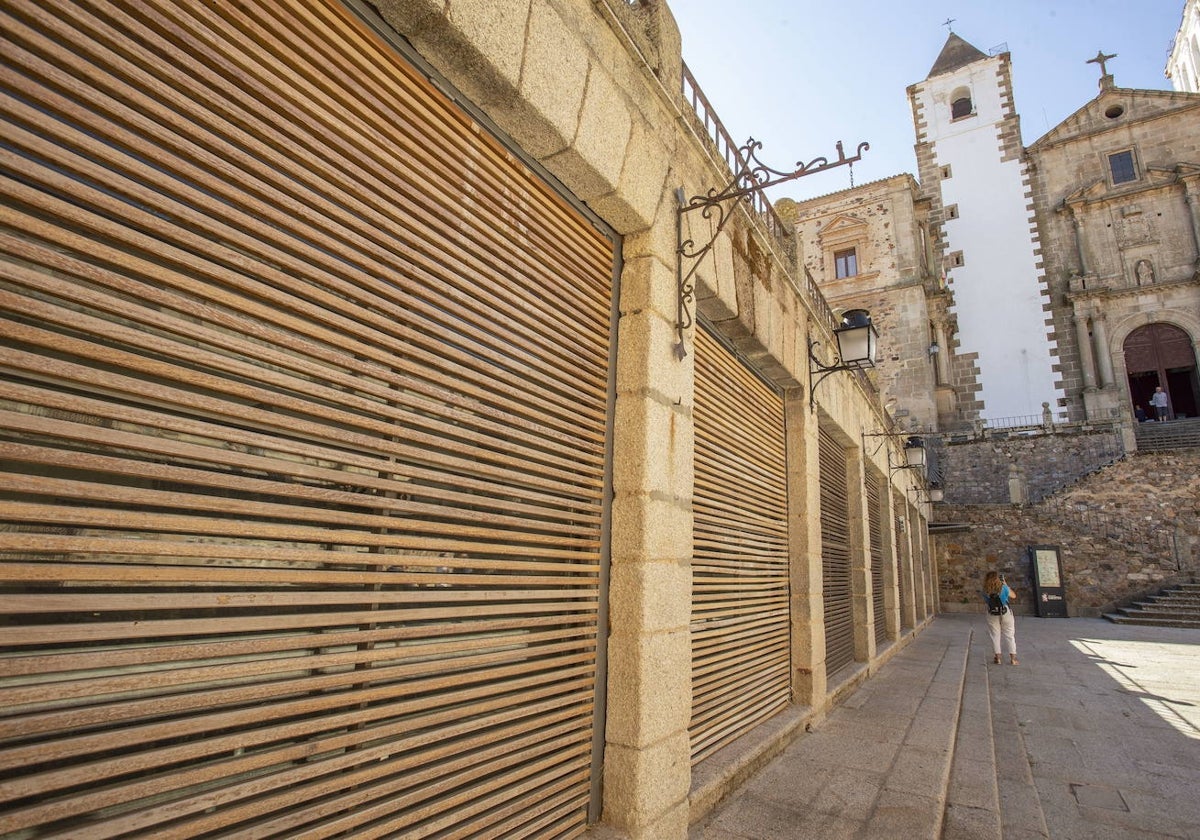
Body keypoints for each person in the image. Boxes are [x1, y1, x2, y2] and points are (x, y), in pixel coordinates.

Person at [982, 570, 1017, 665]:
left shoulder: (985, 590)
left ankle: (998, 658)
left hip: (992, 612)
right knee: (1009, 634)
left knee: (995, 635)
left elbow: (986, 601)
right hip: (1005, 611)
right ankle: (1013, 659)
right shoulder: (1003, 588)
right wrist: (1006, 584)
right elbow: (1014, 596)